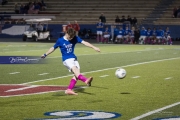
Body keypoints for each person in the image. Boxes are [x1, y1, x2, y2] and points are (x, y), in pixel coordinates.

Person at [41, 28, 101, 95]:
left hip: (74, 58)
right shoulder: (60, 40)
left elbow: (85, 42)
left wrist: (94, 47)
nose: (71, 38)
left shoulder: (75, 38)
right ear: (66, 33)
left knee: (77, 74)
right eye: (70, 37)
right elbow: (53, 48)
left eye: (72, 37)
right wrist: (45, 54)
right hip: (66, 60)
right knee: (75, 71)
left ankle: (69, 90)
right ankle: (86, 80)